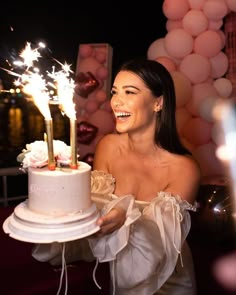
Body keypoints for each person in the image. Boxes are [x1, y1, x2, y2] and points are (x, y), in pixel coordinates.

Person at [32, 59, 201, 295]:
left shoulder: (184, 168)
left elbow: (160, 245)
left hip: (168, 278)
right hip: (122, 276)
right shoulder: (108, 147)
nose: (116, 102)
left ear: (158, 102)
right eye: (114, 92)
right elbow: (93, 211)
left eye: (129, 92)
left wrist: (125, 216)